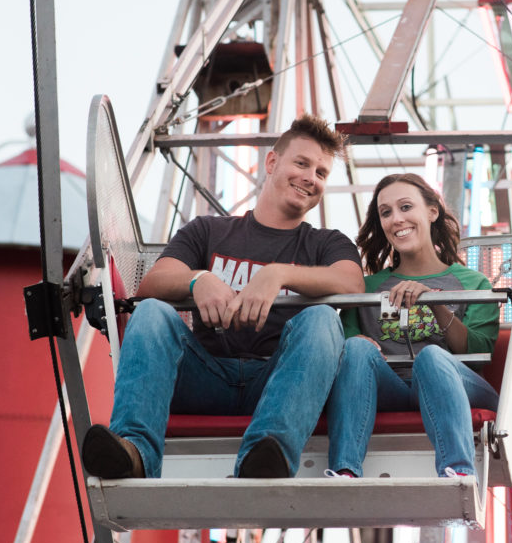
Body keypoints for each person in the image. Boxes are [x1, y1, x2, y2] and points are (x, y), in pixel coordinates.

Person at [81, 115, 364, 479]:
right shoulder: (208, 231)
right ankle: (134, 450)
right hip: (205, 374)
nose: (311, 178)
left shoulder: (327, 243)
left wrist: (277, 274)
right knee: (151, 312)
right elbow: (152, 284)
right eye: (302, 163)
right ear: (272, 162)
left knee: (323, 319)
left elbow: (351, 283)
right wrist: (198, 280)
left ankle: (268, 453)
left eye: (322, 173)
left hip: (278, 380)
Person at [325, 173, 500, 479]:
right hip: (389, 386)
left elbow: (479, 349)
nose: (396, 219)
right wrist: (362, 342)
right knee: (354, 348)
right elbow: (348, 348)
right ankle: (345, 469)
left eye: (406, 207)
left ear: (432, 211)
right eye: (386, 212)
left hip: (453, 384)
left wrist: (436, 306)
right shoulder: (367, 286)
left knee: (431, 357)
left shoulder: (473, 282)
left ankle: (457, 472)